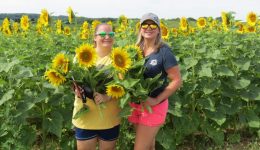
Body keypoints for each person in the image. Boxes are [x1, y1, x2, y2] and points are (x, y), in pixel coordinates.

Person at [128, 13, 182, 150]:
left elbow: (176, 80)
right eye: (145, 24)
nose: (148, 28)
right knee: (148, 145)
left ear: (158, 29)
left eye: (153, 25)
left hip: (153, 106)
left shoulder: (164, 52)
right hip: (136, 104)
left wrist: (156, 100)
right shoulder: (136, 51)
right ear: (140, 29)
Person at [73, 23, 120, 150]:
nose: (107, 37)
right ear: (94, 37)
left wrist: (107, 97)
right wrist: (76, 90)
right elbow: (73, 81)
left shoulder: (118, 58)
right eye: (102, 34)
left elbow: (122, 88)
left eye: (110, 34)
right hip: (85, 118)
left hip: (109, 120)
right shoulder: (82, 55)